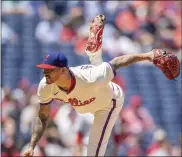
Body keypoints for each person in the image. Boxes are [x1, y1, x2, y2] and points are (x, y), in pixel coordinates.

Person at [22, 14, 156, 157]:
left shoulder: (89, 77)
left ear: (63, 70)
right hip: (88, 103)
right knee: (96, 74)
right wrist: (32, 145)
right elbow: (43, 117)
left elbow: (118, 62)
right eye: (44, 69)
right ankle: (94, 51)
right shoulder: (45, 86)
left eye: (49, 70)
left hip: (109, 102)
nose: (45, 72)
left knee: (93, 151)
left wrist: (148, 56)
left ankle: (94, 52)